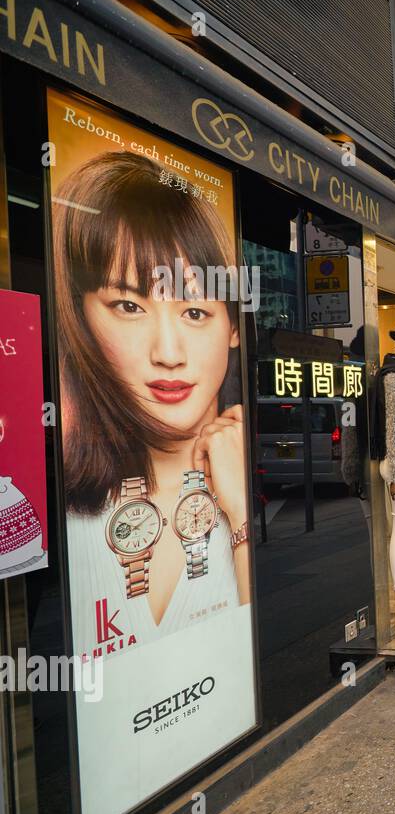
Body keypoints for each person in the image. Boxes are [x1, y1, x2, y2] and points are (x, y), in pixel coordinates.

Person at [55, 150, 250, 647]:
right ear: (78, 319)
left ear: (233, 327)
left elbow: (266, 661)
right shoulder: (60, 508)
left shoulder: (248, 481)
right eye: (128, 305)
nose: (168, 354)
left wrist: (242, 514)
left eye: (195, 313)